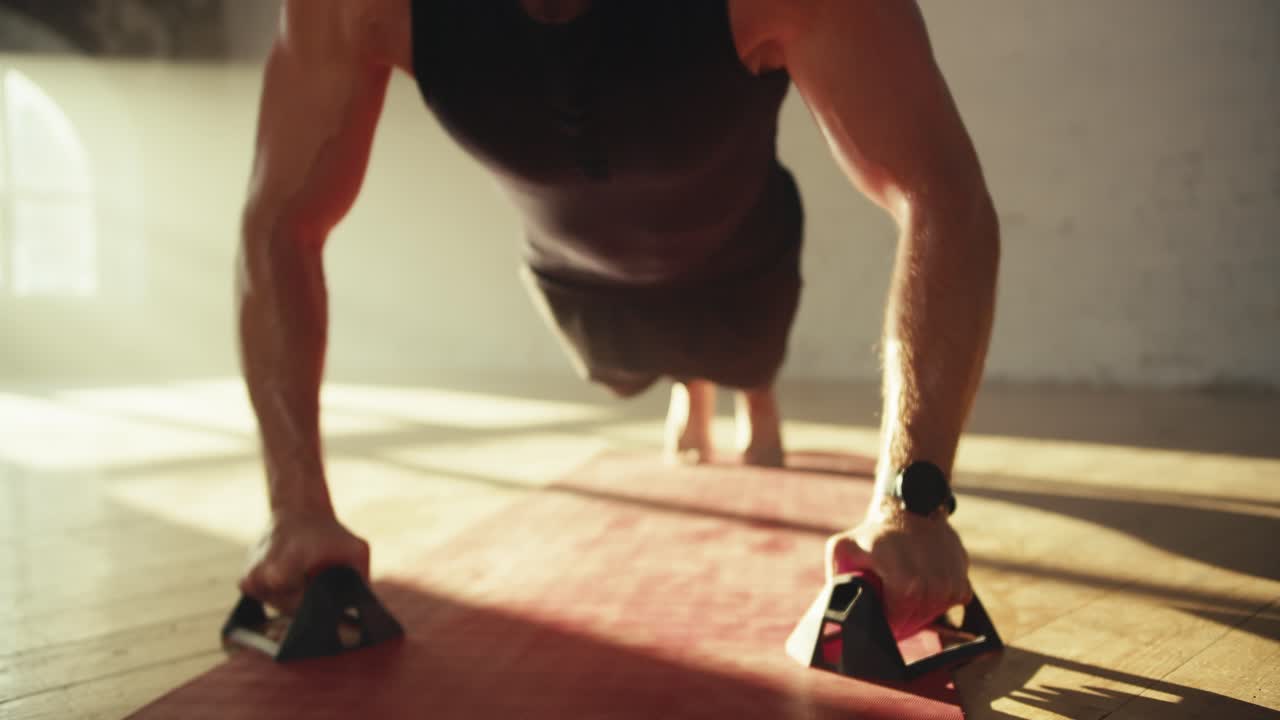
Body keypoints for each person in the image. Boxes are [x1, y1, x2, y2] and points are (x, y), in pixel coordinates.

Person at [236, 0, 999, 641]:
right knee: (624, 373)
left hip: (742, 256)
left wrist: (913, 504)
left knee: (748, 355)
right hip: (578, 274)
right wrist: (295, 507)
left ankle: (742, 387)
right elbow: (281, 223)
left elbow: (942, 193)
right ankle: (691, 382)